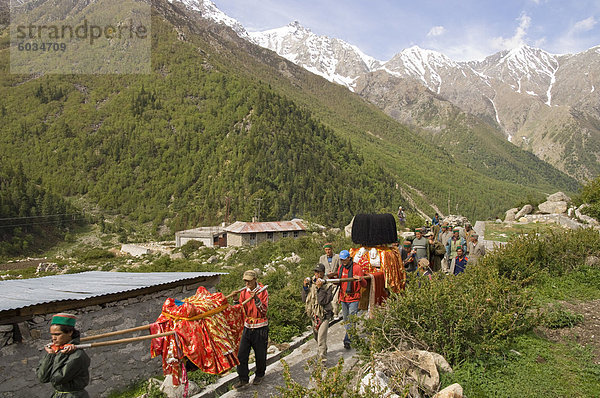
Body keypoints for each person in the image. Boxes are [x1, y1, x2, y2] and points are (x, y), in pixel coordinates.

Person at [36, 313, 91, 398]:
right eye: (52, 334)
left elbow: (56, 379)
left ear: (69, 332)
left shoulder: (77, 356)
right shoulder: (55, 351)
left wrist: (61, 355)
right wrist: (50, 355)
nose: (53, 338)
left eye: (57, 334)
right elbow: (42, 377)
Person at [235, 270, 269, 389]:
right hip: (248, 326)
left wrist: (256, 299)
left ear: (255, 280)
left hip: (260, 326)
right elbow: (239, 308)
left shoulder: (262, 291)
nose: (247, 283)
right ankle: (243, 378)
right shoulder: (244, 292)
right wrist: (235, 300)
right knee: (241, 355)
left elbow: (264, 310)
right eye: (245, 280)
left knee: (260, 354)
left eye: (249, 280)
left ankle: (259, 374)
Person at [302, 263, 334, 363]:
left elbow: (323, 301)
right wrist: (305, 287)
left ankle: (322, 361)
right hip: (314, 315)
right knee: (316, 337)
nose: (316, 274)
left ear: (323, 273)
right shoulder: (312, 283)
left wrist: (320, 289)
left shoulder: (328, 285)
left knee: (321, 339)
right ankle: (323, 350)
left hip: (324, 314)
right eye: (315, 272)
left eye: (318, 272)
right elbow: (304, 299)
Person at [337, 249, 367, 349]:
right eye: (341, 260)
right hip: (344, 298)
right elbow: (339, 283)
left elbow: (365, 284)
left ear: (349, 258)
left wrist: (360, 279)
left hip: (354, 298)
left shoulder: (357, 268)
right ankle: (352, 336)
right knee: (346, 319)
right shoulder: (341, 268)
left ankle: (347, 339)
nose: (343, 262)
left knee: (351, 319)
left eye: (344, 260)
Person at [319, 243, 341, 315]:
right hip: (326, 281)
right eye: (326, 250)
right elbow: (320, 269)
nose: (327, 251)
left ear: (331, 249)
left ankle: (335, 314)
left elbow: (341, 269)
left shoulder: (337, 257)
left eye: (329, 249)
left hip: (335, 281)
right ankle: (328, 314)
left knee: (334, 300)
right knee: (327, 299)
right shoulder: (322, 258)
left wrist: (334, 274)